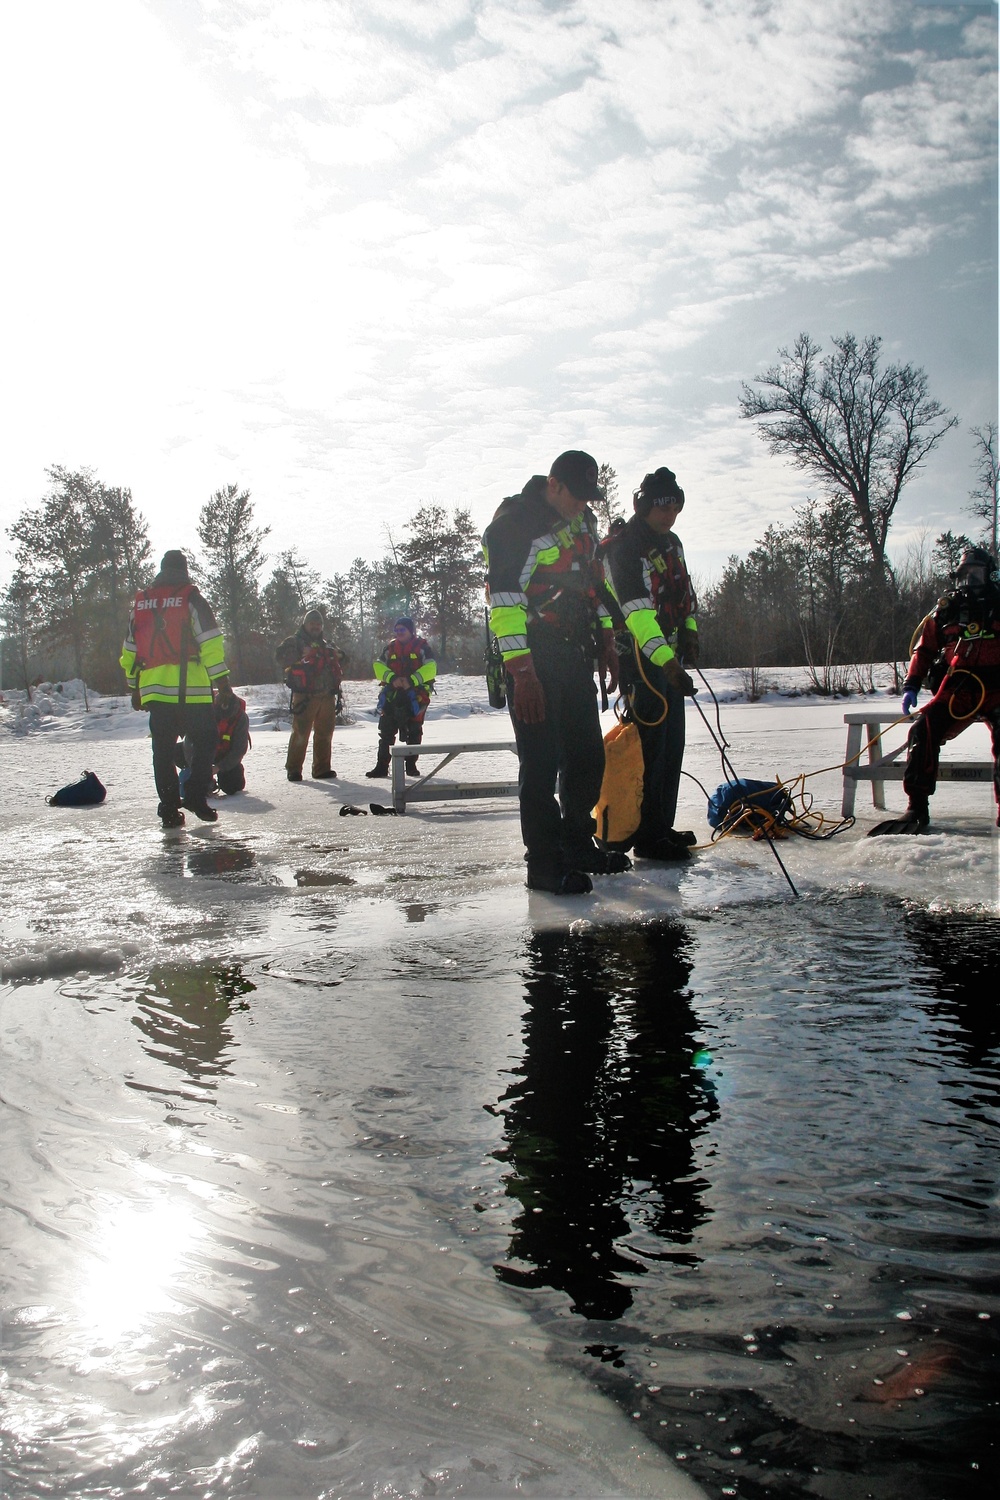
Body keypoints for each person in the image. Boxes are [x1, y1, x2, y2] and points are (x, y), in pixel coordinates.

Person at [483, 450, 625, 895]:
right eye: (576, 495)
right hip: (532, 657)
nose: (583, 505)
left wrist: (607, 641)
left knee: (587, 756)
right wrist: (522, 673)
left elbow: (594, 585)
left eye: (589, 497)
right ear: (553, 483)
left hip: (573, 653)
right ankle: (543, 865)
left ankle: (578, 844)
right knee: (541, 764)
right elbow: (503, 604)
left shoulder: (583, 523)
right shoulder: (515, 524)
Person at [602, 466, 698, 861]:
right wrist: (667, 661)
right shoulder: (625, 547)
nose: (669, 515)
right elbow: (638, 614)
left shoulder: (672, 542)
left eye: (674, 507)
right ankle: (643, 833)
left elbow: (685, 593)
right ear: (643, 506)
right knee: (648, 748)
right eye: (661, 507)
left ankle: (659, 825)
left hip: (667, 656)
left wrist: (690, 630)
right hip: (641, 659)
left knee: (672, 743)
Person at [875, 545, 1000, 834]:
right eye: (964, 575)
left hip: (995, 690)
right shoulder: (947, 610)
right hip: (957, 692)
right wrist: (911, 685)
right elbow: (924, 650)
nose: (970, 581)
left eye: (976, 574)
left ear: (989, 574)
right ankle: (916, 808)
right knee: (922, 731)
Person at [120, 549, 230, 827]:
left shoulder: (141, 603)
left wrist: (135, 687)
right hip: (191, 691)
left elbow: (130, 650)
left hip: (156, 693)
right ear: (184, 570)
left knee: (163, 752)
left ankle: (169, 809)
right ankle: (194, 794)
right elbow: (210, 644)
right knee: (206, 740)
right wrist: (223, 684)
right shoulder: (191, 598)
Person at [276, 608, 343, 782]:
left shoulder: (327, 644)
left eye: (318, 624)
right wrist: (300, 653)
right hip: (305, 696)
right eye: (312, 623)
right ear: (305, 624)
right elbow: (280, 657)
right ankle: (293, 769)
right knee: (301, 733)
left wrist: (337, 655)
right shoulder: (294, 642)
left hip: (327, 695)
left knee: (325, 733)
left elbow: (346, 660)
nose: (316, 626)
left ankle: (321, 769)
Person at [365, 618, 437, 778]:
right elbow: (378, 665)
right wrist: (393, 679)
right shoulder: (389, 648)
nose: (399, 633)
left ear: (411, 631)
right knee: (386, 731)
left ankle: (411, 766)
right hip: (393, 695)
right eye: (396, 630)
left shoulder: (423, 647)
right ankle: (382, 767)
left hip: (416, 696)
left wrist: (411, 681)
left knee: (414, 731)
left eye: (402, 630)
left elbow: (431, 668)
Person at [178, 682, 251, 796]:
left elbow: (239, 750)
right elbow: (189, 742)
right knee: (176, 752)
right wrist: (197, 767)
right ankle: (194, 777)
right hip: (202, 752)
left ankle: (224, 777)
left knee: (232, 785)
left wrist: (218, 768)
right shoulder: (203, 712)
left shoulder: (241, 718)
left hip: (224, 756)